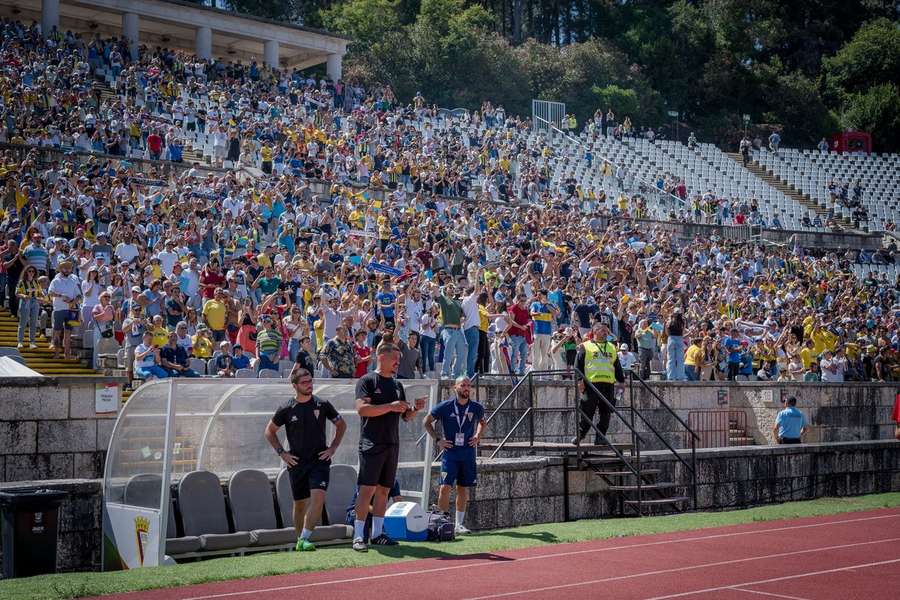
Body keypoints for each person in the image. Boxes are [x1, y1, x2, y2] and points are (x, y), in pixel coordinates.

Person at [352, 343, 426, 552]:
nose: (397, 364)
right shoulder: (367, 381)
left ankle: (377, 534)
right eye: (394, 359)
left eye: (399, 361)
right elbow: (362, 410)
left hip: (392, 443)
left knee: (384, 490)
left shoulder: (396, 385)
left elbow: (405, 416)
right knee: (367, 490)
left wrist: (414, 410)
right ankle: (359, 536)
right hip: (371, 442)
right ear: (381, 357)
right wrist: (389, 407)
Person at [265, 368, 346, 552]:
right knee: (300, 504)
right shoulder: (286, 408)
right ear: (294, 386)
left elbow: (341, 424)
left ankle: (305, 538)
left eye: (310, 381)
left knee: (318, 497)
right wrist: (282, 453)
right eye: (304, 382)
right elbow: (269, 431)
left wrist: (333, 447)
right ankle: (299, 540)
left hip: (319, 460)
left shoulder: (323, 404)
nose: (309, 385)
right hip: (297, 463)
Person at [423, 376, 486, 534]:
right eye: (463, 385)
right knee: (445, 487)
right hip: (450, 453)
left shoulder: (476, 407)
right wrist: (438, 439)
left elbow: (483, 422)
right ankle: (442, 523)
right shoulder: (445, 406)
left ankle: (459, 524)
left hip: (468, 453)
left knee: (462, 488)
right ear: (455, 388)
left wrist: (478, 436)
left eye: (468, 385)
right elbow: (426, 421)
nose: (466, 388)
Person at [573, 322, 625, 445]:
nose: (606, 333)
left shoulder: (612, 347)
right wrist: (580, 381)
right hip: (590, 384)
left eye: (607, 331)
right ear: (595, 331)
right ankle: (581, 434)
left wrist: (621, 381)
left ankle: (600, 437)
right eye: (603, 331)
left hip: (608, 384)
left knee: (606, 412)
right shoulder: (585, 346)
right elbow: (578, 365)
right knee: (587, 410)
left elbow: (617, 366)